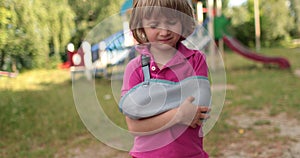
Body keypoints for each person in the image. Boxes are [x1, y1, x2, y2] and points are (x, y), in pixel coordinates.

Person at [119, 0, 210, 157]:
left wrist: (149, 108)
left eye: (172, 22)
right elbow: (134, 126)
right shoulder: (134, 69)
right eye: (154, 25)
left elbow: (198, 111)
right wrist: (179, 114)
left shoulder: (196, 60)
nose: (164, 31)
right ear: (142, 27)